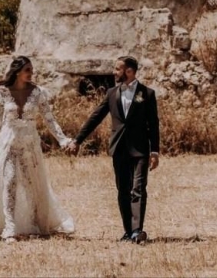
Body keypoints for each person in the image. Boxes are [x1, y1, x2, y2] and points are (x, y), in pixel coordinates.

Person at [0, 56, 75, 241]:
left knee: (30, 184)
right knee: (9, 182)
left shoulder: (38, 92)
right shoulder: (2, 92)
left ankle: (35, 224)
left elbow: (50, 119)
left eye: (32, 70)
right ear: (17, 71)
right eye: (28, 70)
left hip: (30, 144)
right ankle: (9, 227)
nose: (31, 74)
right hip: (8, 143)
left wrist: (63, 139)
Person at [67, 56, 160, 244]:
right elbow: (95, 117)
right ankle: (128, 231)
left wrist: (155, 151)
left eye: (118, 69)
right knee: (123, 190)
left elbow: (154, 124)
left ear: (129, 71)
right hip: (119, 148)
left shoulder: (147, 94)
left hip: (141, 149)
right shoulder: (111, 93)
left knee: (138, 189)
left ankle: (137, 231)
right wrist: (77, 140)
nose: (114, 72)